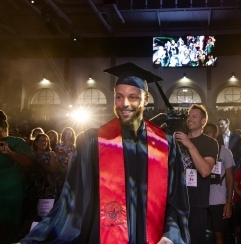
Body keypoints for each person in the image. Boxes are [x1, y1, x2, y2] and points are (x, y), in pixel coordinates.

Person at [19, 62, 190, 244]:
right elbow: (72, 200)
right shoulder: (92, 141)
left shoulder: (166, 144)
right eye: (119, 97)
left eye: (133, 97)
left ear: (146, 99)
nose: (124, 104)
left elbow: (177, 201)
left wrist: (170, 236)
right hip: (105, 236)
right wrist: (34, 239)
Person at [175, 104, 219, 244]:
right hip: (175, 202)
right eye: (188, 115)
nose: (190, 119)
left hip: (196, 203)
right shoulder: (177, 141)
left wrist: (189, 145)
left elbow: (205, 171)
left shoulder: (210, 143)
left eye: (194, 116)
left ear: (203, 121)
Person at [0, 110, 35, 244]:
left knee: (9, 223)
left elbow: (29, 163)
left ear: (3, 128)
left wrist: (10, 153)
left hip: (11, 190)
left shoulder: (16, 142)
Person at [203, 123, 235, 244]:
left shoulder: (225, 152)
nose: (206, 134)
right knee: (199, 233)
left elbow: (230, 178)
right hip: (201, 198)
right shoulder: (198, 150)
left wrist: (229, 202)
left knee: (219, 234)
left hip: (219, 199)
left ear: (216, 134)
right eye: (204, 132)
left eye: (209, 132)